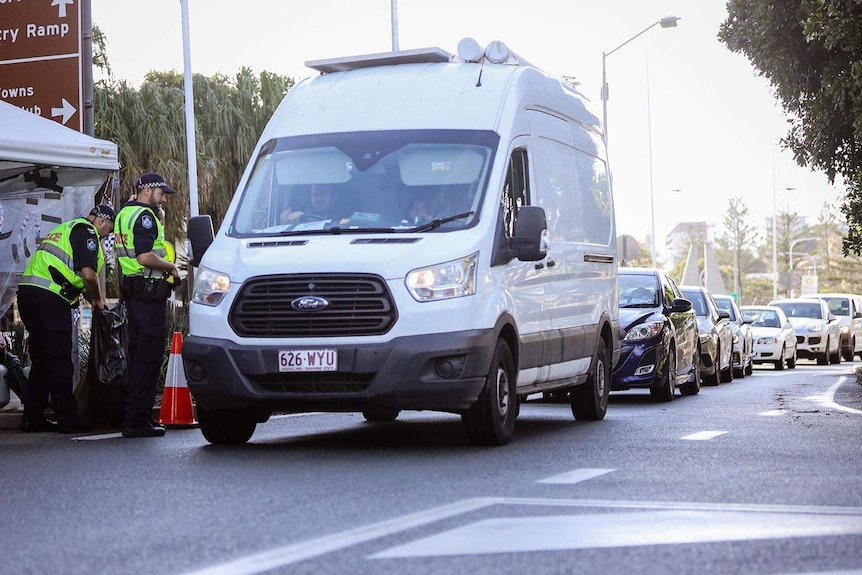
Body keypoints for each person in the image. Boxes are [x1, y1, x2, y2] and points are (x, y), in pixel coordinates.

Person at [17, 205, 115, 433]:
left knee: (42, 360)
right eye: (108, 230)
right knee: (60, 360)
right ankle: (67, 419)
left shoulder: (65, 228)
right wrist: (97, 301)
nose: (107, 235)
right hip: (49, 299)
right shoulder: (86, 231)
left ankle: (33, 417)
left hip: (29, 295)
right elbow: (88, 275)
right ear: (101, 220)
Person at [115, 173, 179, 438]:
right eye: (161, 193)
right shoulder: (144, 216)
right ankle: (137, 420)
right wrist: (172, 267)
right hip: (148, 293)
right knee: (149, 359)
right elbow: (144, 256)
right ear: (146, 190)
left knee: (137, 357)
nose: (163, 198)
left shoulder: (124, 214)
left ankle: (132, 415)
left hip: (135, 294)